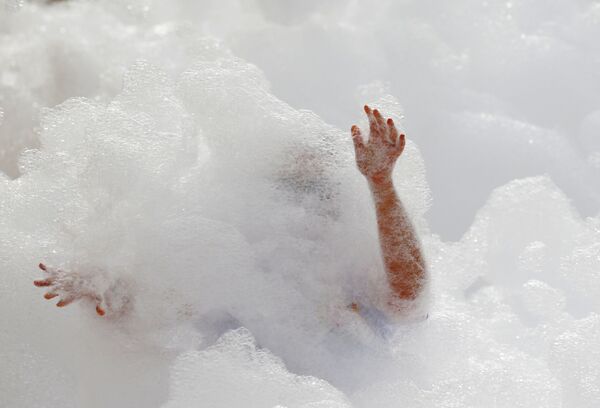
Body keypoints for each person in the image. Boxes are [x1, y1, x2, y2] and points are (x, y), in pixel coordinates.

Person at [34, 106, 427, 321]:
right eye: (284, 189)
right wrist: (104, 288)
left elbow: (408, 296)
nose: (302, 205)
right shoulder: (237, 260)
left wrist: (381, 184)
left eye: (318, 190)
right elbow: (163, 310)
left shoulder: (348, 276)